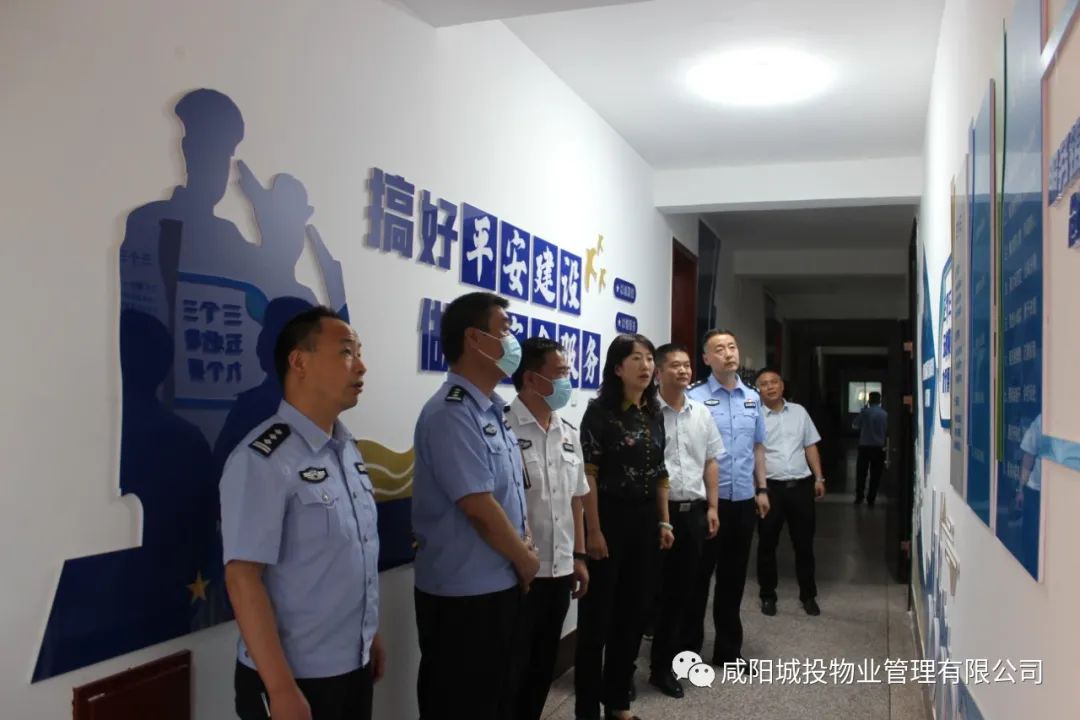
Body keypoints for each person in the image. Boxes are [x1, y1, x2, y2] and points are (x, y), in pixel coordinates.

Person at [220, 306, 383, 720]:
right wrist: (280, 688)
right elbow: (242, 578)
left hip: (352, 666)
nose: (361, 366)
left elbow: (350, 556)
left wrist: (368, 636)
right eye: (346, 352)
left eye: (359, 353)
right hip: (294, 678)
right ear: (299, 362)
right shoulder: (263, 459)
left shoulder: (347, 450)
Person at [412, 292, 539, 720]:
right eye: (504, 330)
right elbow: (478, 507)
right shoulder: (450, 413)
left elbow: (508, 493)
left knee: (496, 699)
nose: (512, 340)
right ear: (474, 339)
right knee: (461, 703)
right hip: (463, 596)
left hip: (498, 584)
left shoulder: (492, 411)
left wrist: (523, 545)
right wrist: (524, 558)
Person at [575, 334, 674, 720]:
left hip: (645, 521)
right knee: (597, 621)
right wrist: (594, 530)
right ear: (618, 368)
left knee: (633, 615)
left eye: (649, 358)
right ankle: (586, 709)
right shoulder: (599, 412)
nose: (646, 366)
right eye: (636, 358)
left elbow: (660, 471)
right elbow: (589, 474)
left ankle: (618, 703)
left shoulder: (654, 412)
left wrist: (664, 520)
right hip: (608, 519)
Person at [505, 338, 591, 720]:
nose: (566, 381)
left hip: (559, 571)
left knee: (541, 667)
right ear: (531, 378)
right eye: (559, 373)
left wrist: (579, 557)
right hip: (518, 575)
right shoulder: (503, 428)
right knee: (511, 670)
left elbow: (576, 500)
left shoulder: (568, 432)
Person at [686, 329, 769, 672]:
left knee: (733, 581)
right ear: (706, 358)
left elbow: (758, 447)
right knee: (697, 580)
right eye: (719, 349)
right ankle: (687, 652)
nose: (728, 353)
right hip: (707, 504)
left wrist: (762, 489)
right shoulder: (694, 397)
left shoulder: (753, 397)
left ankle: (728, 652)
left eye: (732, 346)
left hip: (743, 500)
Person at [648, 344, 723, 699]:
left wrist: (713, 507)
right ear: (658, 372)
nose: (683, 371)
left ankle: (662, 669)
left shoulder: (701, 414)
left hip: (692, 513)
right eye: (675, 365)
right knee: (643, 593)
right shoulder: (646, 412)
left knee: (681, 594)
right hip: (652, 516)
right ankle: (622, 672)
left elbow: (710, 461)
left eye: (687, 365)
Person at [754, 369, 826, 618]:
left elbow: (810, 445)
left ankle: (808, 596)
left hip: (801, 487)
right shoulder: (754, 416)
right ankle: (767, 595)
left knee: (804, 544)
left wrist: (819, 477)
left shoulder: (799, 412)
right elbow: (755, 453)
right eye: (764, 384)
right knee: (767, 544)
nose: (770, 387)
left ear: (782, 386)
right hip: (771, 489)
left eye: (774, 382)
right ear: (758, 390)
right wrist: (760, 489)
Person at [854, 391, 888, 506]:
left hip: (864, 446)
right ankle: (871, 498)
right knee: (876, 474)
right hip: (878, 447)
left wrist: (863, 410)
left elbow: (855, 425)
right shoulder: (884, 414)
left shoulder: (865, 413)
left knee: (861, 473)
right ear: (879, 401)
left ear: (869, 400)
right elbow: (887, 430)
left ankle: (859, 496)